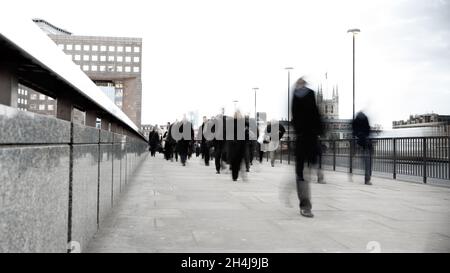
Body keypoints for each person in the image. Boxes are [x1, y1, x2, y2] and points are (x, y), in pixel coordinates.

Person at [291, 77, 324, 218]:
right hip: (311, 138)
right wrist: (319, 131)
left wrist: (299, 129)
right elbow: (317, 116)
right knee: (307, 170)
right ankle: (306, 204)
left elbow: (295, 119)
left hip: (302, 139)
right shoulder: (311, 94)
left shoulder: (295, 97)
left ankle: (305, 205)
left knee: (300, 174)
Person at [352, 111, 373, 185]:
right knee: (368, 161)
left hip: (360, 142)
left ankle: (366, 176)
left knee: (365, 160)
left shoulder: (355, 121)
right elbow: (368, 130)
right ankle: (367, 178)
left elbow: (354, 132)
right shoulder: (365, 118)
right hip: (367, 143)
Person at [228, 111, 247, 181]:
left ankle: (236, 175)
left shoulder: (243, 122)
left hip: (241, 144)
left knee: (238, 160)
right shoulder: (232, 123)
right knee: (234, 160)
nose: (238, 116)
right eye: (237, 114)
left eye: (239, 114)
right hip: (233, 144)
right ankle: (234, 176)